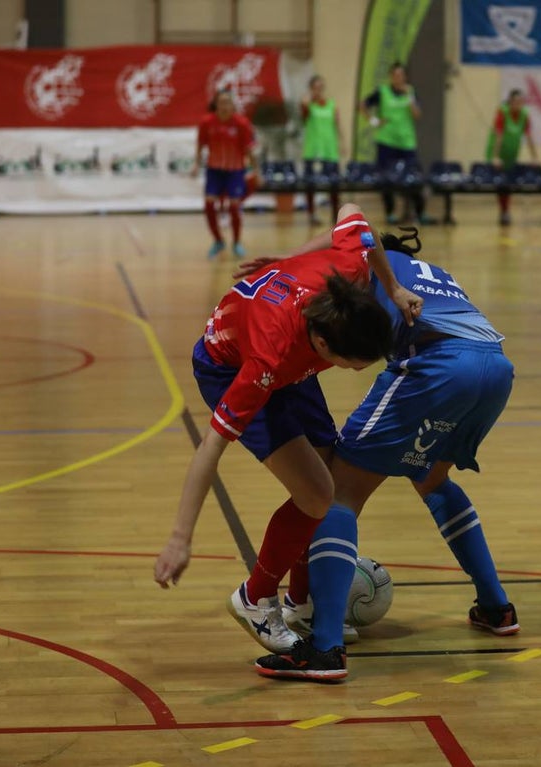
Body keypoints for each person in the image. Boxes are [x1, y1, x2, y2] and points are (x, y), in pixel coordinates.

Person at [238, 228, 517, 681]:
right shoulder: (437, 274)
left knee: (336, 494)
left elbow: (344, 239)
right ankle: (496, 607)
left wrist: (286, 260)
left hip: (439, 364)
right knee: (432, 479)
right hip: (495, 368)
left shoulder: (365, 265)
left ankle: (325, 647)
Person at [153, 204, 422, 657]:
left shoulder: (348, 280)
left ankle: (302, 603)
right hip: (229, 364)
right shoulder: (267, 362)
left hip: (288, 349)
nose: (359, 371)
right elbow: (210, 449)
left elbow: (355, 218)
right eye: (355, 364)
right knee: (316, 492)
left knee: (327, 474)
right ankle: (254, 598)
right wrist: (180, 538)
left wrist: (392, 288)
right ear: (322, 345)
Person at [363, 62, 433, 225]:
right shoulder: (382, 92)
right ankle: (390, 213)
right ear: (390, 76)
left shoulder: (411, 92)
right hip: (386, 142)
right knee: (386, 179)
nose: (398, 78)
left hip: (406, 142)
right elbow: (363, 105)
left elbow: (417, 115)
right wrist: (374, 121)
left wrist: (409, 97)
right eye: (395, 75)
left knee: (414, 178)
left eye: (401, 75)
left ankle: (420, 212)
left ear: (405, 77)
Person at [194, 90, 257, 259]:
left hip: (235, 170)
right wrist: (196, 164)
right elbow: (200, 144)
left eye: (227, 102)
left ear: (233, 104)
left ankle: (236, 242)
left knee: (234, 206)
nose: (224, 106)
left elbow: (250, 149)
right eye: (221, 102)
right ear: (216, 104)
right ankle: (218, 240)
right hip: (214, 170)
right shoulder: (207, 122)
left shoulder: (241, 123)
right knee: (208, 206)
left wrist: (256, 170)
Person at [487, 89, 538, 226]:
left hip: (512, 153)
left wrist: (534, 157)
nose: (518, 104)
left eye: (521, 102)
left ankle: (506, 211)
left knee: (509, 182)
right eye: (516, 101)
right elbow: (499, 135)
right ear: (510, 101)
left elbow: (529, 137)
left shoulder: (524, 115)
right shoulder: (502, 112)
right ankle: (504, 211)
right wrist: (496, 156)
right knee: (502, 183)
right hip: (498, 151)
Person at [301, 75, 346, 226]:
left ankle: (335, 215)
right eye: (315, 87)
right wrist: (305, 104)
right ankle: (312, 214)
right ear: (311, 88)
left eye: (320, 87)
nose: (318, 90)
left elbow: (337, 124)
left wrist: (342, 143)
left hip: (330, 151)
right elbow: (303, 117)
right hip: (312, 151)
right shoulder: (307, 104)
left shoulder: (332, 104)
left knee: (334, 185)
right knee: (311, 185)